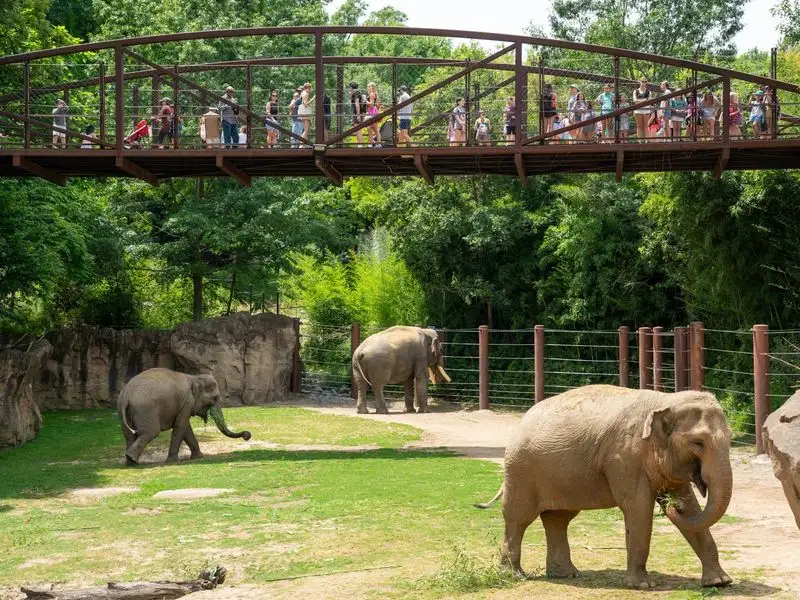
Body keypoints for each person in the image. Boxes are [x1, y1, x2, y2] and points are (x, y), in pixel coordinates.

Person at [349, 82, 366, 147]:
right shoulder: (358, 92)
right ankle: (360, 144)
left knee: (358, 130)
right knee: (358, 130)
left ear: (351, 87)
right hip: (360, 113)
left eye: (349, 87)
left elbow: (357, 104)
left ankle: (360, 145)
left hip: (357, 114)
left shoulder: (356, 93)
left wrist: (358, 115)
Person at [366, 82, 381, 147]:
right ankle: (376, 143)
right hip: (373, 111)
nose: (369, 88)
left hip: (372, 112)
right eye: (368, 86)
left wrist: (365, 101)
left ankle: (373, 144)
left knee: (372, 128)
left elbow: (371, 104)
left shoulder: (372, 93)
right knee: (373, 128)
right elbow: (377, 104)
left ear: (373, 87)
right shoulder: (375, 93)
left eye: (370, 86)